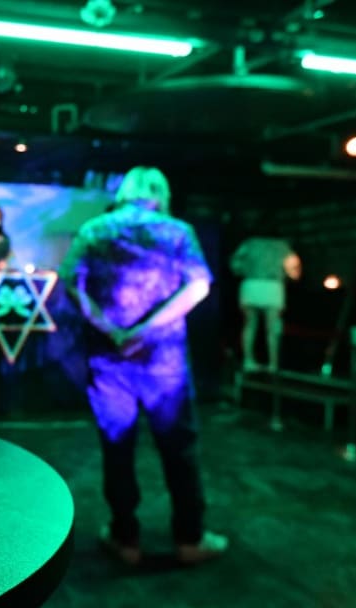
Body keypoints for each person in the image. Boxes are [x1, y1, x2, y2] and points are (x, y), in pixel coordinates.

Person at [59, 165, 228, 566]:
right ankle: (189, 540)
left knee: (117, 449)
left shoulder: (94, 230)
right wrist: (146, 329)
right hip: (163, 362)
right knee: (179, 450)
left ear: (125, 192)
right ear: (160, 193)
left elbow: (71, 283)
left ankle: (125, 540)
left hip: (108, 362)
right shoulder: (176, 232)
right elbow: (198, 286)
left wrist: (110, 327)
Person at [229, 233, 302, 373]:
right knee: (272, 328)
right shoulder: (282, 246)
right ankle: (273, 364)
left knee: (250, 324)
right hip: (272, 286)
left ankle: (248, 360)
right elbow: (294, 269)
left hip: (251, 284)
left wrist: (244, 270)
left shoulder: (249, 243)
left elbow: (235, 262)